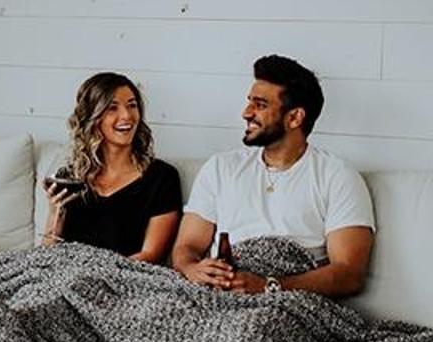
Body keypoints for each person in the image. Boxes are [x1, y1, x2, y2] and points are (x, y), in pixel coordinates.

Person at [172, 55, 375, 296]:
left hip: (288, 301)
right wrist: (192, 268)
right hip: (219, 292)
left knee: (252, 332)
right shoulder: (221, 167)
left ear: (294, 118)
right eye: (249, 102)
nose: (246, 113)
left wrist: (269, 286)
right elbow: (188, 246)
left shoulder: (338, 177)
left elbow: (349, 274)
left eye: (260, 105)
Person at [41, 72, 182, 263]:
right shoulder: (71, 177)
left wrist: (97, 275)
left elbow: (150, 256)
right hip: (64, 275)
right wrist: (55, 212)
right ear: (92, 118)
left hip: (126, 278)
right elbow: (45, 256)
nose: (126, 116)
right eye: (112, 108)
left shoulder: (162, 178)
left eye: (132, 105)